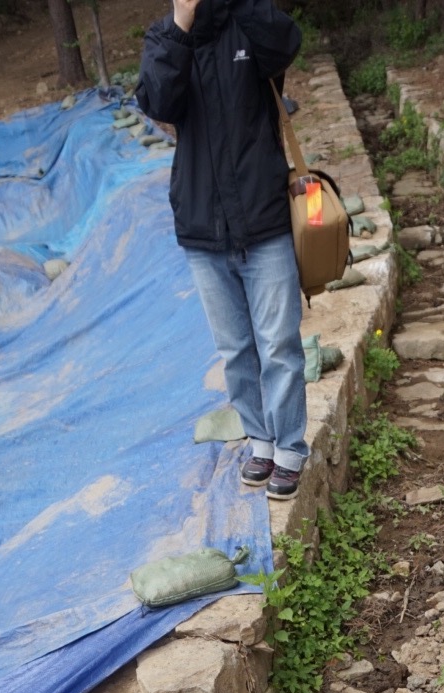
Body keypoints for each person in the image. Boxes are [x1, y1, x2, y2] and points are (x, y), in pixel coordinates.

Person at [136, 0, 308, 500]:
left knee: (278, 344)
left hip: (264, 217)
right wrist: (181, 25)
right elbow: (158, 102)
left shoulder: (248, 23)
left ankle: (290, 448)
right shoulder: (165, 37)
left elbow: (286, 43)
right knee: (236, 349)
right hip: (202, 225)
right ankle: (260, 441)